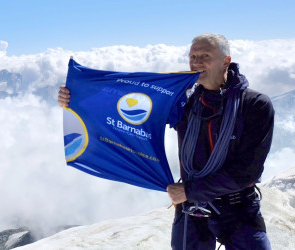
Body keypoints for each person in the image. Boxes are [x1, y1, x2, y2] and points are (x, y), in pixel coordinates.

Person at [58, 33, 274, 250]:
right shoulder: (184, 104)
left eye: (205, 56)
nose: (196, 62)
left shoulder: (254, 105)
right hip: (192, 208)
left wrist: (189, 191)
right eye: (193, 56)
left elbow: (248, 171)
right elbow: (125, 111)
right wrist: (76, 99)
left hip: (236, 208)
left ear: (226, 61)